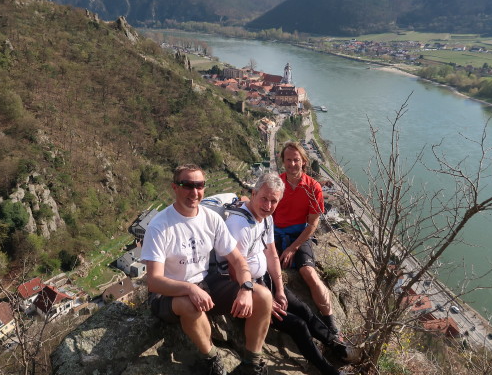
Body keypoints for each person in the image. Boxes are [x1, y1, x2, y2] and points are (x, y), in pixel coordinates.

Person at [217, 172, 355, 375]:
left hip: (263, 279)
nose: (268, 205)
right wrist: (265, 302)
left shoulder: (265, 219)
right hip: (246, 288)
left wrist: (280, 290)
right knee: (298, 325)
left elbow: (272, 254)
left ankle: (335, 345)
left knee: (303, 309)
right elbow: (233, 270)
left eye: (274, 201)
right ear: (254, 194)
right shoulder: (238, 225)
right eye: (264, 198)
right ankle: (328, 370)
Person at [141, 164, 273, 375]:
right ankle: (211, 361)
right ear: (175, 187)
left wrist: (246, 288)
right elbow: (154, 281)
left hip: (206, 282)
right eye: (187, 185)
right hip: (168, 294)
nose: (194, 192)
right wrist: (190, 289)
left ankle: (251, 363)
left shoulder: (211, 218)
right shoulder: (160, 226)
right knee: (189, 303)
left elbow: (238, 260)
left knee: (263, 296)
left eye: (199, 185)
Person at [273, 141, 340, 335]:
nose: (292, 164)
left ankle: (331, 322)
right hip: (275, 233)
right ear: (283, 161)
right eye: (288, 160)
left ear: (304, 162)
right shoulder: (276, 184)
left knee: (309, 273)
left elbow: (312, 224)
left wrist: (293, 248)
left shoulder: (313, 187)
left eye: (296, 160)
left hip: (300, 234)